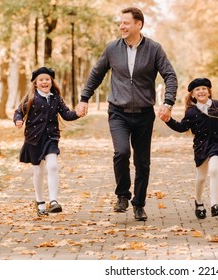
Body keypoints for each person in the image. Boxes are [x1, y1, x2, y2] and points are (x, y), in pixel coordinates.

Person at [76, 7, 177, 221]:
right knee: (121, 153)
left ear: (138, 24)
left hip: (143, 114)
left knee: (142, 162)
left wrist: (168, 103)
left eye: (126, 23)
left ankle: (139, 204)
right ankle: (122, 195)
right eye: (120, 23)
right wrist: (84, 98)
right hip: (118, 112)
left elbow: (170, 75)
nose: (122, 26)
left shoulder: (154, 49)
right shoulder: (112, 49)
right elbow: (96, 73)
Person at [161, 78, 218, 219]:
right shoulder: (191, 112)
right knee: (202, 177)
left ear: (209, 92)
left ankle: (215, 204)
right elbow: (181, 127)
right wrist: (168, 120)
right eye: (197, 89)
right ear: (192, 94)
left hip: (217, 144)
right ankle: (198, 202)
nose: (201, 91)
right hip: (201, 147)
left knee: (214, 169)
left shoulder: (217, 105)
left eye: (204, 88)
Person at [13, 66, 82, 217]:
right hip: (33, 139)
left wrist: (77, 113)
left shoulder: (56, 97)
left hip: (51, 138)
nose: (44, 82)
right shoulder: (30, 98)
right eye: (41, 80)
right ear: (36, 83)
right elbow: (19, 112)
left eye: (47, 79)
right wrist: (18, 120)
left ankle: (54, 201)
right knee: (38, 171)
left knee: (53, 166)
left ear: (51, 81)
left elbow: (66, 114)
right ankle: (40, 202)